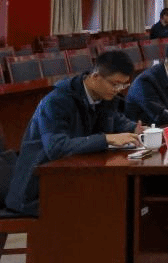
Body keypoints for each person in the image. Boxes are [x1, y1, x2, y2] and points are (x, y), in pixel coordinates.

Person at [6, 50, 144, 215]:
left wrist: (135, 128)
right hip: (38, 191)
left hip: (72, 179)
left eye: (123, 85)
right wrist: (106, 139)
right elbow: (56, 147)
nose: (118, 90)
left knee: (128, 198)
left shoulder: (104, 97)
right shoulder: (56, 101)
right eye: (115, 84)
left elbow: (116, 120)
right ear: (95, 77)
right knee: (111, 205)